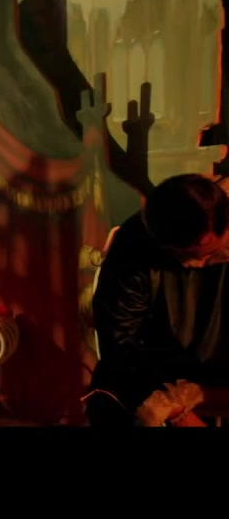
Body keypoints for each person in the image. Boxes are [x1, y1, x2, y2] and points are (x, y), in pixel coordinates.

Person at [86, 173, 229, 427]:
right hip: (158, 374)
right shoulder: (134, 246)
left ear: (206, 238)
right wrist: (174, 411)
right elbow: (119, 341)